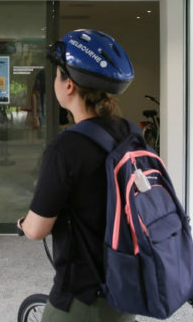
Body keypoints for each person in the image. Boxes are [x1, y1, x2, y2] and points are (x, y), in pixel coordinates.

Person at [17, 29, 136, 322]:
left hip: (81, 297)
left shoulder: (66, 148)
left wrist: (22, 223)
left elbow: (36, 229)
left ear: (68, 85)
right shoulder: (131, 132)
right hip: (126, 287)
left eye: (57, 75)